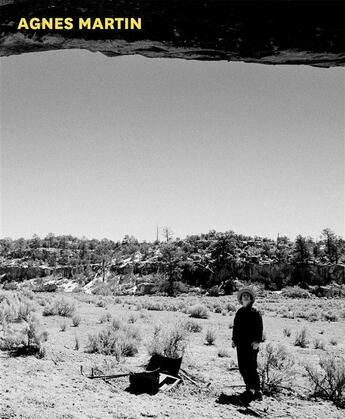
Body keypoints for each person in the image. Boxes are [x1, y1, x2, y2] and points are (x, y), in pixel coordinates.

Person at [232, 287, 263, 403]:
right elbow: (235, 328)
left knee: (251, 367)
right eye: (243, 296)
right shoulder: (239, 312)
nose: (245, 297)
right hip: (241, 344)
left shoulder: (255, 312)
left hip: (251, 344)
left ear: (251, 299)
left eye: (247, 296)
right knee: (242, 367)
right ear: (241, 299)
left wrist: (257, 341)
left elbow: (259, 327)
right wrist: (234, 340)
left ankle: (257, 390)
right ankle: (250, 388)